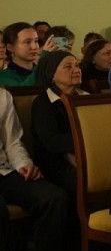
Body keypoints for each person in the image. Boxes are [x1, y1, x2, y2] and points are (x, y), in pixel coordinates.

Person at [0, 87, 76, 251]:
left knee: (53, 198)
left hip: (4, 170)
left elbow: (12, 142)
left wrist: (24, 165)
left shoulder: (3, 96)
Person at [30, 51, 85, 198]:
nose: (76, 70)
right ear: (52, 75)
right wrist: (88, 140)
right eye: (68, 66)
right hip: (56, 164)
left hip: (85, 157)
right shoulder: (43, 103)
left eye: (77, 65)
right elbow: (52, 141)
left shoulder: (86, 98)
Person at [0, 22, 40, 87]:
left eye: (36, 41)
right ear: (10, 48)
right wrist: (43, 62)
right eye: (27, 42)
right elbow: (25, 90)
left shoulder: (43, 72)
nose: (34, 47)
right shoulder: (3, 77)